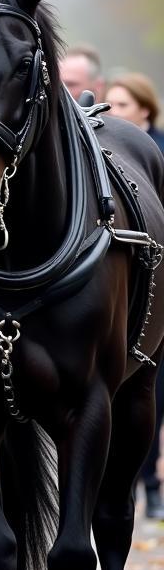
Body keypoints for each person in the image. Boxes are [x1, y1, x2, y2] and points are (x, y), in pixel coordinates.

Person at [105, 73, 164, 519]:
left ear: (145, 110)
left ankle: (149, 484)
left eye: (123, 105)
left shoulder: (147, 153)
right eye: (112, 103)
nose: (113, 113)